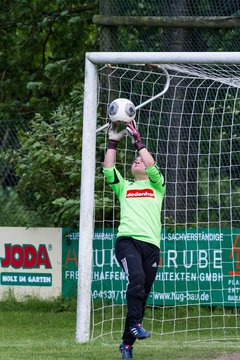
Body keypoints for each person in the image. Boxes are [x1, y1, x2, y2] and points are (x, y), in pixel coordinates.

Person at [103, 121, 165, 360]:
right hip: (127, 241)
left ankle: (127, 344)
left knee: (141, 293)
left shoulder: (157, 185)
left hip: (151, 246)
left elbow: (150, 163)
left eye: (140, 160)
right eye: (134, 161)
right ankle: (136, 327)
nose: (137, 161)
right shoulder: (124, 186)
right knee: (136, 279)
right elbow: (109, 169)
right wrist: (113, 141)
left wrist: (138, 141)